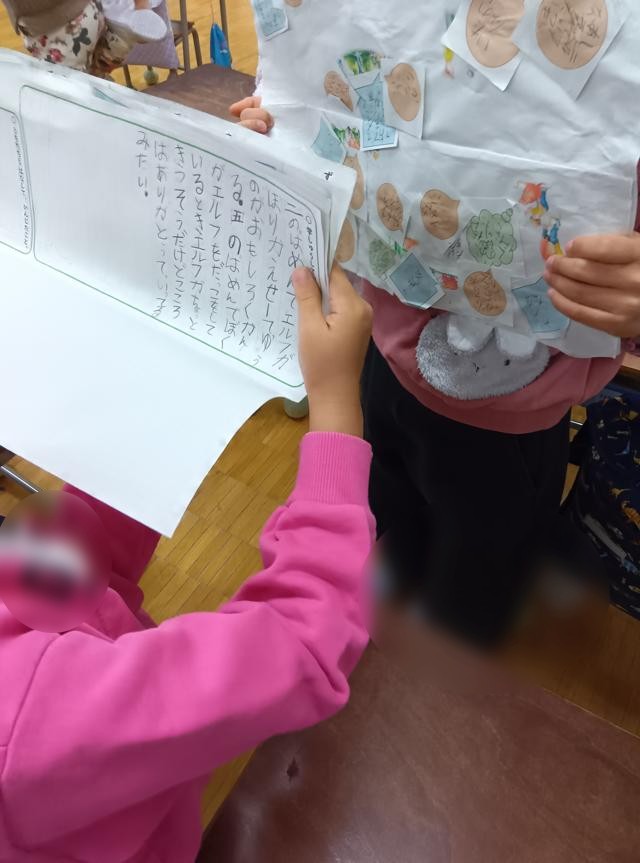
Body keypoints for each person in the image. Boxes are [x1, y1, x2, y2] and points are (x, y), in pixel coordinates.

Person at [234, 96, 640, 646]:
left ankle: (437, 660)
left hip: (510, 421)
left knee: (468, 602)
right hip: (382, 356)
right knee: (380, 524)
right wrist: (292, 117)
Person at [0, 266, 375, 862]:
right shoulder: (35, 712)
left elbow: (67, 582)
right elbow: (304, 641)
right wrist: (334, 405)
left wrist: (158, 398)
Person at [1, 0, 164, 77]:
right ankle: (121, 41)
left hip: (55, 30)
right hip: (84, 14)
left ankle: (121, 42)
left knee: (70, 98)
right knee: (95, 78)